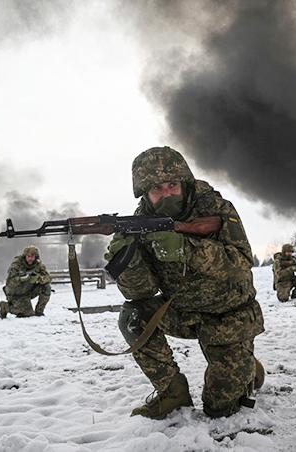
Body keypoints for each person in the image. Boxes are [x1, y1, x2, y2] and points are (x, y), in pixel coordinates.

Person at [104, 146, 265, 420]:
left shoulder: (215, 207)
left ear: (184, 181)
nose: (166, 193)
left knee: (219, 409)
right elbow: (142, 292)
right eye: (156, 189)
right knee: (133, 315)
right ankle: (172, 393)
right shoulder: (140, 222)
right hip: (182, 313)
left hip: (228, 317)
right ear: (145, 193)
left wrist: (186, 249)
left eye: (172, 185)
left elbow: (240, 263)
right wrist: (127, 261)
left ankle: (247, 367)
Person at [0, 245, 53, 318]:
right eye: (28, 256)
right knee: (26, 314)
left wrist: (38, 278)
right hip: (15, 294)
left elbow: (48, 278)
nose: (30, 259)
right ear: (25, 256)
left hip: (29, 291)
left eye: (32, 256)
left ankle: (39, 312)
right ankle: (5, 307)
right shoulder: (17, 264)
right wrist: (20, 279)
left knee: (46, 287)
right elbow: (10, 283)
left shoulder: (39, 265)